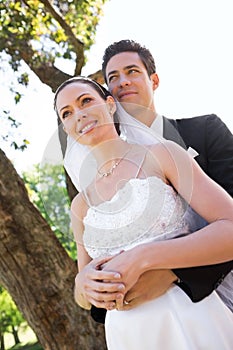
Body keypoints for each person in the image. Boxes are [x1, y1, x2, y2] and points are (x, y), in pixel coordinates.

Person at [54, 76, 233, 349]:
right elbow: (82, 291)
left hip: (188, 316)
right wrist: (84, 285)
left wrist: (145, 257)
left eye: (86, 101)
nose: (79, 114)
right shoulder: (81, 205)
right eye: (66, 113)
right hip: (128, 335)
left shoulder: (163, 156)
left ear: (111, 105)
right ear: (66, 127)